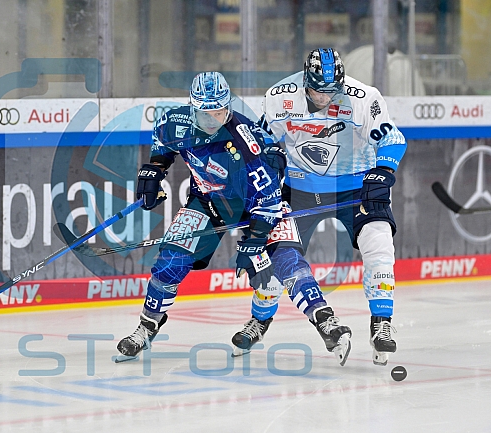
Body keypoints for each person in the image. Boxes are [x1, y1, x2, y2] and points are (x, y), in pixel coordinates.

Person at [246, 48, 407, 366]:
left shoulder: (364, 97)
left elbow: (392, 138)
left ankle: (382, 322)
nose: (325, 97)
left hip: (355, 188)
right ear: (305, 81)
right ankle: (259, 320)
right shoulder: (279, 96)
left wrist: (384, 171)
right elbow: (259, 139)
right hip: (300, 189)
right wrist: (270, 156)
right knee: (277, 257)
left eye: (332, 91)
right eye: (318, 90)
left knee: (378, 243)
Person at [116, 72, 284, 360]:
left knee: (266, 274)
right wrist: (155, 168)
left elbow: (269, 196)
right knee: (170, 260)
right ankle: (147, 327)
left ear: (228, 106)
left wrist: (255, 239)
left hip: (253, 206)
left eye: (220, 111)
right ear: (193, 107)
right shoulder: (175, 122)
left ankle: (260, 320)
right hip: (206, 201)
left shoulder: (246, 140)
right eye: (206, 113)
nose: (213, 119)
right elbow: (163, 143)